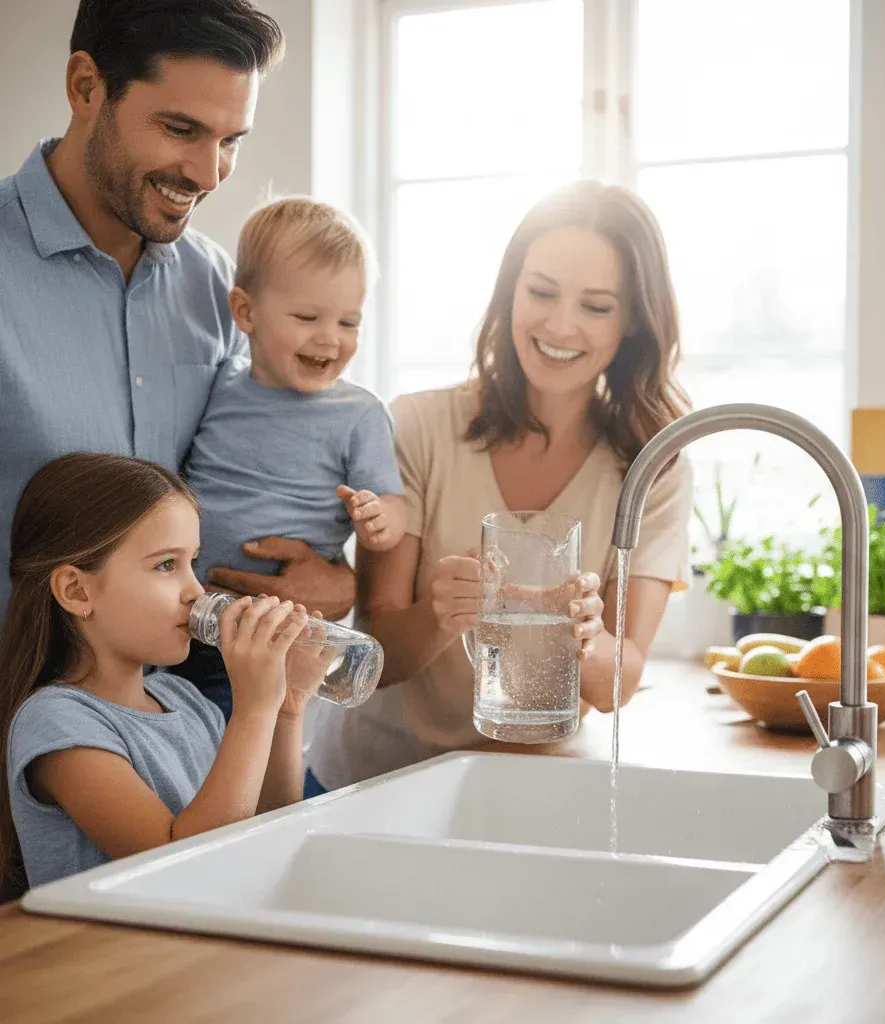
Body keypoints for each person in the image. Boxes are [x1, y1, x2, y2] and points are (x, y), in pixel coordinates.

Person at [306, 180, 694, 794]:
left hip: (533, 781)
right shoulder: (416, 426)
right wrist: (440, 615)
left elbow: (614, 684)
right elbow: (376, 657)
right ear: (510, 293)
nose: (560, 325)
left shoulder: (653, 466)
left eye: (596, 306)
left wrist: (587, 634)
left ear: (634, 324)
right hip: (380, 780)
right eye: (541, 292)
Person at [0, 0, 355, 631]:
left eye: (231, 141)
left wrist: (331, 576)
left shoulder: (221, 287)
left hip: (178, 711)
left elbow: (260, 477)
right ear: (86, 87)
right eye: (181, 129)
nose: (210, 174)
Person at [0, 453, 332, 897]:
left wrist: (285, 710)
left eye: (192, 562)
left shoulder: (185, 699)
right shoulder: (57, 724)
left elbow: (270, 836)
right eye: (165, 565)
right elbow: (184, 869)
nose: (196, 591)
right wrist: (253, 710)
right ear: (77, 591)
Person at [175, 197, 406, 718]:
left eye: (350, 322)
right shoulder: (219, 386)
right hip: (187, 619)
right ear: (245, 312)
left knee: (250, 756)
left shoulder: (358, 413)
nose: (330, 338)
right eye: (307, 317)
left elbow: (393, 503)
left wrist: (379, 521)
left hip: (276, 633)